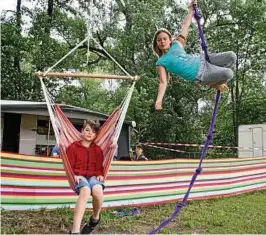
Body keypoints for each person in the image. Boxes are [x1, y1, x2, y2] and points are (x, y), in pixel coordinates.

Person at [153, 0, 237, 110]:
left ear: (170, 40)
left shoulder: (177, 44)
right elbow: (163, 82)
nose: (162, 41)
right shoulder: (161, 62)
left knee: (232, 56)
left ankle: (217, 80)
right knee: (229, 73)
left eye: (164, 39)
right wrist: (158, 101)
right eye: (159, 40)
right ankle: (213, 83)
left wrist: (191, 10)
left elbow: (185, 26)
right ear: (157, 44)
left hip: (204, 60)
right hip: (200, 74)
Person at [66, 120, 104, 234]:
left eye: (93, 131)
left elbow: (99, 167)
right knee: (86, 191)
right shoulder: (73, 147)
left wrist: (100, 174)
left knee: (98, 191)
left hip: (93, 176)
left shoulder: (97, 150)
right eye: (87, 130)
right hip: (79, 176)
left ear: (96, 135)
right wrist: (74, 175)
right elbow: (69, 165)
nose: (90, 133)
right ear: (81, 131)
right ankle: (75, 231)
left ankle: (95, 218)